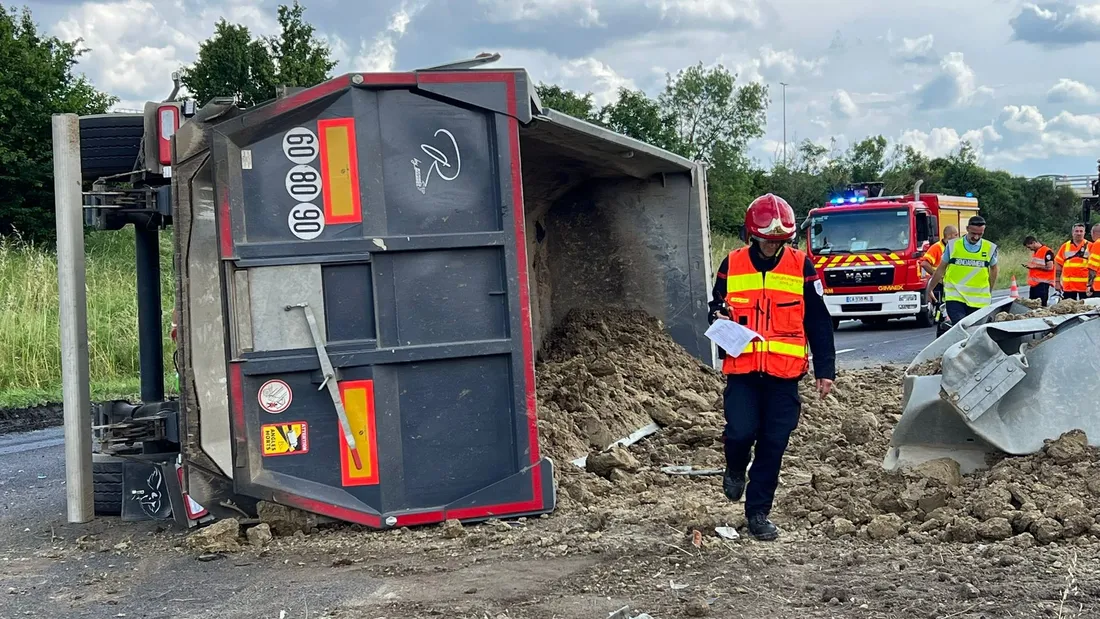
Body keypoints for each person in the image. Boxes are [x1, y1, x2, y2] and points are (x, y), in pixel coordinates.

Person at [707, 193, 836, 542]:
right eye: (766, 241)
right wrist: (717, 314)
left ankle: (758, 513)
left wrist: (826, 369)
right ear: (752, 236)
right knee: (739, 432)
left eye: (779, 242)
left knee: (773, 445)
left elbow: (818, 321)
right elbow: (716, 306)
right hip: (744, 372)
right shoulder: (731, 264)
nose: (772, 247)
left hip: (784, 376)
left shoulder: (801, 265)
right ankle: (734, 467)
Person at [925, 216, 999, 325]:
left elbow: (994, 270)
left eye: (980, 234)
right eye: (973, 233)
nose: (976, 237)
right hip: (955, 297)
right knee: (962, 326)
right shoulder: (953, 246)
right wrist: (930, 289)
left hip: (979, 300)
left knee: (975, 332)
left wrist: (989, 290)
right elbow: (940, 269)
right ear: (967, 228)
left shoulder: (990, 248)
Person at [920, 225, 959, 305]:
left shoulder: (955, 247)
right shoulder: (937, 247)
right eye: (956, 235)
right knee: (939, 307)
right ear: (949, 235)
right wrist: (937, 276)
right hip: (938, 284)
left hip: (950, 284)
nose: (958, 237)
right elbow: (924, 263)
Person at [1055, 223, 1090, 301]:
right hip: (1069, 286)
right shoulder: (1065, 246)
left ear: (1084, 233)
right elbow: (1058, 264)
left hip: (1085, 286)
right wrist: (1057, 282)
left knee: (1086, 309)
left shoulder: (1090, 246)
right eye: (1076, 231)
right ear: (1072, 232)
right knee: (1069, 308)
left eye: (1081, 231)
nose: (1079, 233)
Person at [1023, 235, 1055, 307]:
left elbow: (1050, 267)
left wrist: (1035, 266)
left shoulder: (1047, 251)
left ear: (1034, 243)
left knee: (1041, 306)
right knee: (1031, 304)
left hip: (1042, 284)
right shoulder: (1036, 252)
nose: (1029, 249)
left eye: (1029, 247)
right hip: (1035, 284)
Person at [1088, 224, 1100, 298]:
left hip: (1098, 287)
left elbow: (1093, 268)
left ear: (1093, 233)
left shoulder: (1098, 244)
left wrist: (1089, 285)